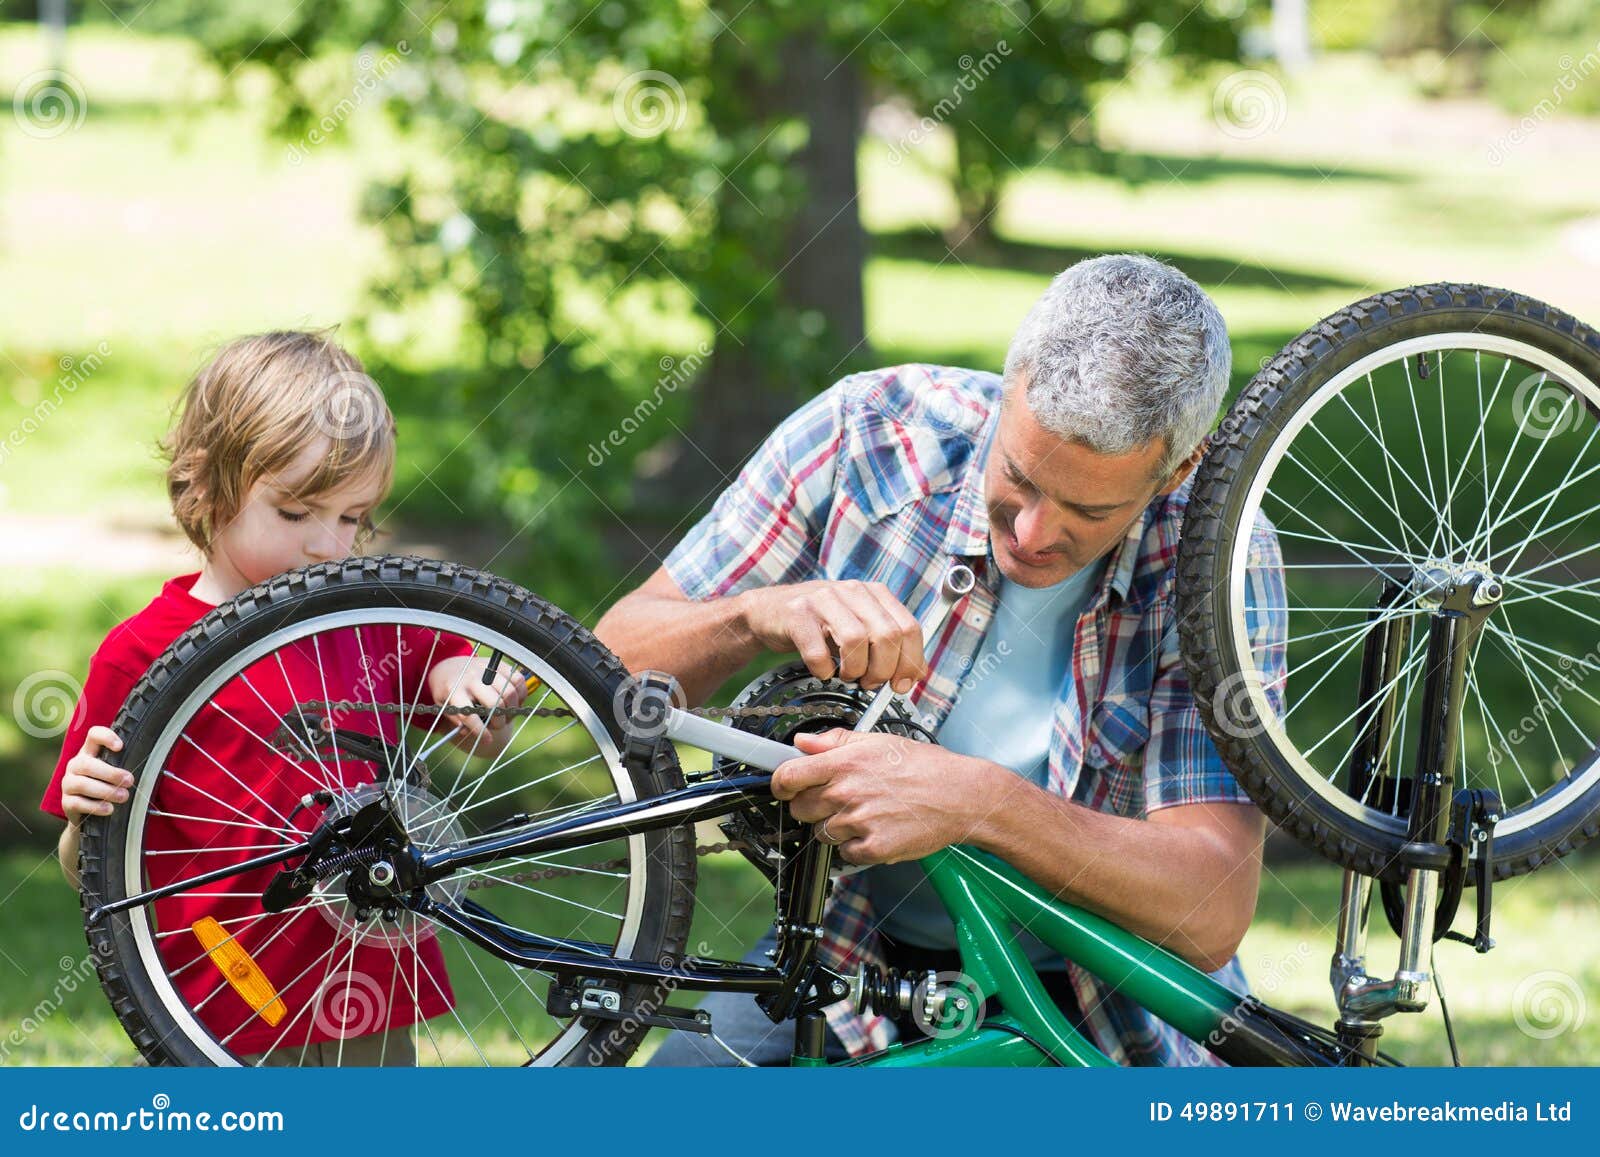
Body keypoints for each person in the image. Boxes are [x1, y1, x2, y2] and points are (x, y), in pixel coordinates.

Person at [597, 254, 1289, 1066]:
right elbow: (605, 670)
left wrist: (982, 804)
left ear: (1179, 469)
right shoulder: (866, 436)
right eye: (1019, 478)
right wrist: (754, 615)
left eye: (1088, 509)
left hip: (1098, 991)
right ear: (1006, 393)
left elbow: (1207, 910)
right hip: (851, 956)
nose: (1031, 533)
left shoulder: (1216, 558)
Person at [40, 331, 526, 1066]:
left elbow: (454, 693)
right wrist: (86, 813)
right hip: (219, 995)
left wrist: (466, 688)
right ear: (205, 488)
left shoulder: (367, 620)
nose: (328, 546)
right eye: (296, 514)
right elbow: (87, 872)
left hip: (367, 969)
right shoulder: (141, 653)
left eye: (352, 517)